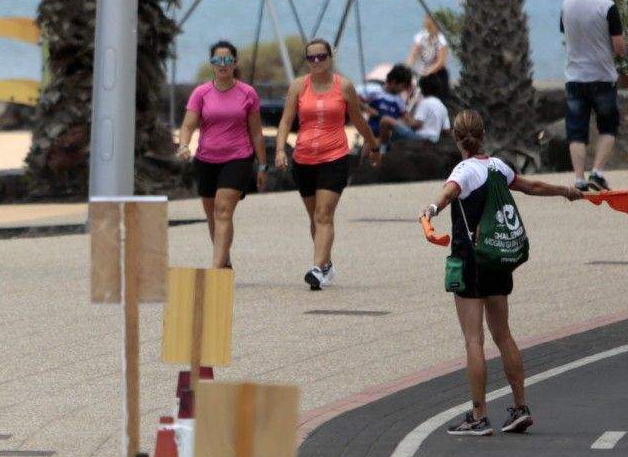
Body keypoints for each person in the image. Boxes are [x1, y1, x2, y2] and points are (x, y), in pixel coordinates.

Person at [421, 109, 583, 439]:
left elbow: (450, 192)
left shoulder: (464, 170)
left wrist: (431, 209)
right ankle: (520, 406)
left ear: (456, 138)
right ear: (483, 135)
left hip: (470, 261)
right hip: (498, 257)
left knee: (474, 339)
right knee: (503, 335)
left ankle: (479, 416)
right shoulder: (498, 166)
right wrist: (565, 190)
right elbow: (532, 186)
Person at [271, 37, 377, 291]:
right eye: (311, 57)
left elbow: (358, 120)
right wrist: (280, 150)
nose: (316, 61)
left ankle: (317, 269)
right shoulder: (298, 86)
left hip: (334, 158)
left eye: (321, 56)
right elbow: (286, 121)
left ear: (330, 58)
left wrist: (373, 144)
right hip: (303, 159)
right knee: (314, 217)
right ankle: (326, 265)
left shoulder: (344, 86)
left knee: (323, 214)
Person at [175, 41, 266, 271]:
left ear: (235, 63)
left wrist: (262, 165)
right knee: (212, 215)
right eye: (217, 60)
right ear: (212, 63)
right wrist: (184, 145)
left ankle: (215, 270)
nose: (222, 64)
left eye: (227, 60)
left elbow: (256, 132)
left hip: (238, 158)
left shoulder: (248, 93)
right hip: (206, 160)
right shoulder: (201, 93)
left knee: (223, 210)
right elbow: (188, 125)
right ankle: (224, 261)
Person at [560, 0, 628, 193]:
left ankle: (579, 179)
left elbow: (566, 32)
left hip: (574, 77)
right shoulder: (607, 6)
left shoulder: (567, 3)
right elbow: (619, 47)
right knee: (608, 127)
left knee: (576, 131)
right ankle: (597, 173)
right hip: (602, 77)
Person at [369, 65, 451, 146]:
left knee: (386, 120)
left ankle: (383, 148)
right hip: (434, 139)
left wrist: (401, 124)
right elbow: (446, 130)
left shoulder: (424, 102)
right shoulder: (443, 107)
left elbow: (417, 124)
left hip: (420, 137)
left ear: (422, 89)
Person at [409, 15, 453, 103]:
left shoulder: (441, 39)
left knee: (440, 100)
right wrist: (407, 68)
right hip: (424, 72)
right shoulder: (420, 36)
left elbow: (441, 61)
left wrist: (428, 72)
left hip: (438, 75)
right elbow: (413, 54)